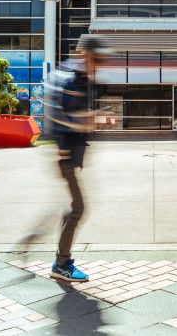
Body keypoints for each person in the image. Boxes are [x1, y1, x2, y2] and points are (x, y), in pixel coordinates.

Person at [44, 35, 111, 283]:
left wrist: (91, 118)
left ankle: (62, 256)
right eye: (98, 59)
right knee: (79, 208)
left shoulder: (79, 77)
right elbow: (59, 117)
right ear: (86, 55)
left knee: (73, 209)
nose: (100, 64)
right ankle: (61, 264)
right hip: (66, 154)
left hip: (71, 154)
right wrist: (88, 120)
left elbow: (73, 114)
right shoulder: (71, 78)